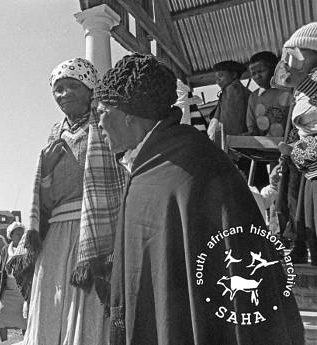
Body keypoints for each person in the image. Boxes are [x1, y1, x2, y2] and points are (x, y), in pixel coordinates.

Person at [95, 53, 304, 345]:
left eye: (102, 110)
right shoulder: (146, 168)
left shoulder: (197, 167)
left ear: (128, 113)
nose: (98, 122)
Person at [8, 58, 125, 345]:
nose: (64, 94)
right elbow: (46, 198)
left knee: (89, 306)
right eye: (58, 89)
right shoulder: (54, 133)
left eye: (73, 85)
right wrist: (45, 172)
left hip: (95, 234)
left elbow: (120, 178)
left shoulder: (106, 125)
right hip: (56, 239)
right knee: (52, 301)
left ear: (90, 88)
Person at [274, 21, 317, 265]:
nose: (291, 62)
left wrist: (299, 152)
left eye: (297, 55)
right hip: (309, 175)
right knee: (310, 234)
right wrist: (290, 155)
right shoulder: (301, 92)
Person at [0, 222, 27, 342]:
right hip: (8, 289)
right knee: (0, 317)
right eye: (17, 234)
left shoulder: (28, 248)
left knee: (25, 319)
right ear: (10, 235)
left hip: (23, 290)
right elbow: (1, 272)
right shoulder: (6, 250)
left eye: (22, 233)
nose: (20, 236)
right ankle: (4, 342)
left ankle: (26, 341)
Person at [245, 51, 292, 137]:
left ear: (275, 69)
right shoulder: (253, 97)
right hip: (264, 149)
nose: (257, 76)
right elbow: (252, 128)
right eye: (253, 74)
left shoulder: (290, 91)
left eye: (261, 71)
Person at [209, 60, 251, 137]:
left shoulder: (233, 89)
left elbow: (232, 122)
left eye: (221, 75)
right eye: (216, 78)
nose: (217, 80)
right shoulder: (233, 89)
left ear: (234, 75)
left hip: (234, 141)